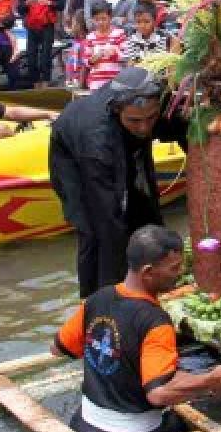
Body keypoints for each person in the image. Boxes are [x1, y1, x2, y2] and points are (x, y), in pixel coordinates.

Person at [52, 225, 221, 432]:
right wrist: (211, 379)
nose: (180, 272)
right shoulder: (156, 321)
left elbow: (58, 349)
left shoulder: (97, 299)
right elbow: (159, 394)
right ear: (148, 272)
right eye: (174, 268)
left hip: (85, 424)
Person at [49, 68, 186, 297]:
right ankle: (100, 296)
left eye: (150, 118)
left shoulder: (154, 106)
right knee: (96, 230)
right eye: (135, 120)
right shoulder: (96, 140)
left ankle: (154, 280)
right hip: (77, 162)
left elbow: (180, 127)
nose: (144, 128)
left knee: (144, 209)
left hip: (124, 142)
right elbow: (108, 216)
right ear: (117, 109)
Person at [18, 0, 64, 89]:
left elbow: (61, 4)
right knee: (31, 59)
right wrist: (27, 3)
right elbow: (20, 10)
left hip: (46, 26)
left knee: (45, 57)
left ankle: (45, 86)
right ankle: (35, 87)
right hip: (31, 27)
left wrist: (48, 2)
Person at [80, 1, 128, 90]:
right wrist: (93, 59)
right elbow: (86, 61)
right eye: (97, 19)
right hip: (96, 82)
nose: (100, 22)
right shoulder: (90, 37)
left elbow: (126, 56)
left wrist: (114, 54)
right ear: (92, 20)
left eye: (103, 19)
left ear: (110, 18)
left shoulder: (119, 34)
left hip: (116, 80)